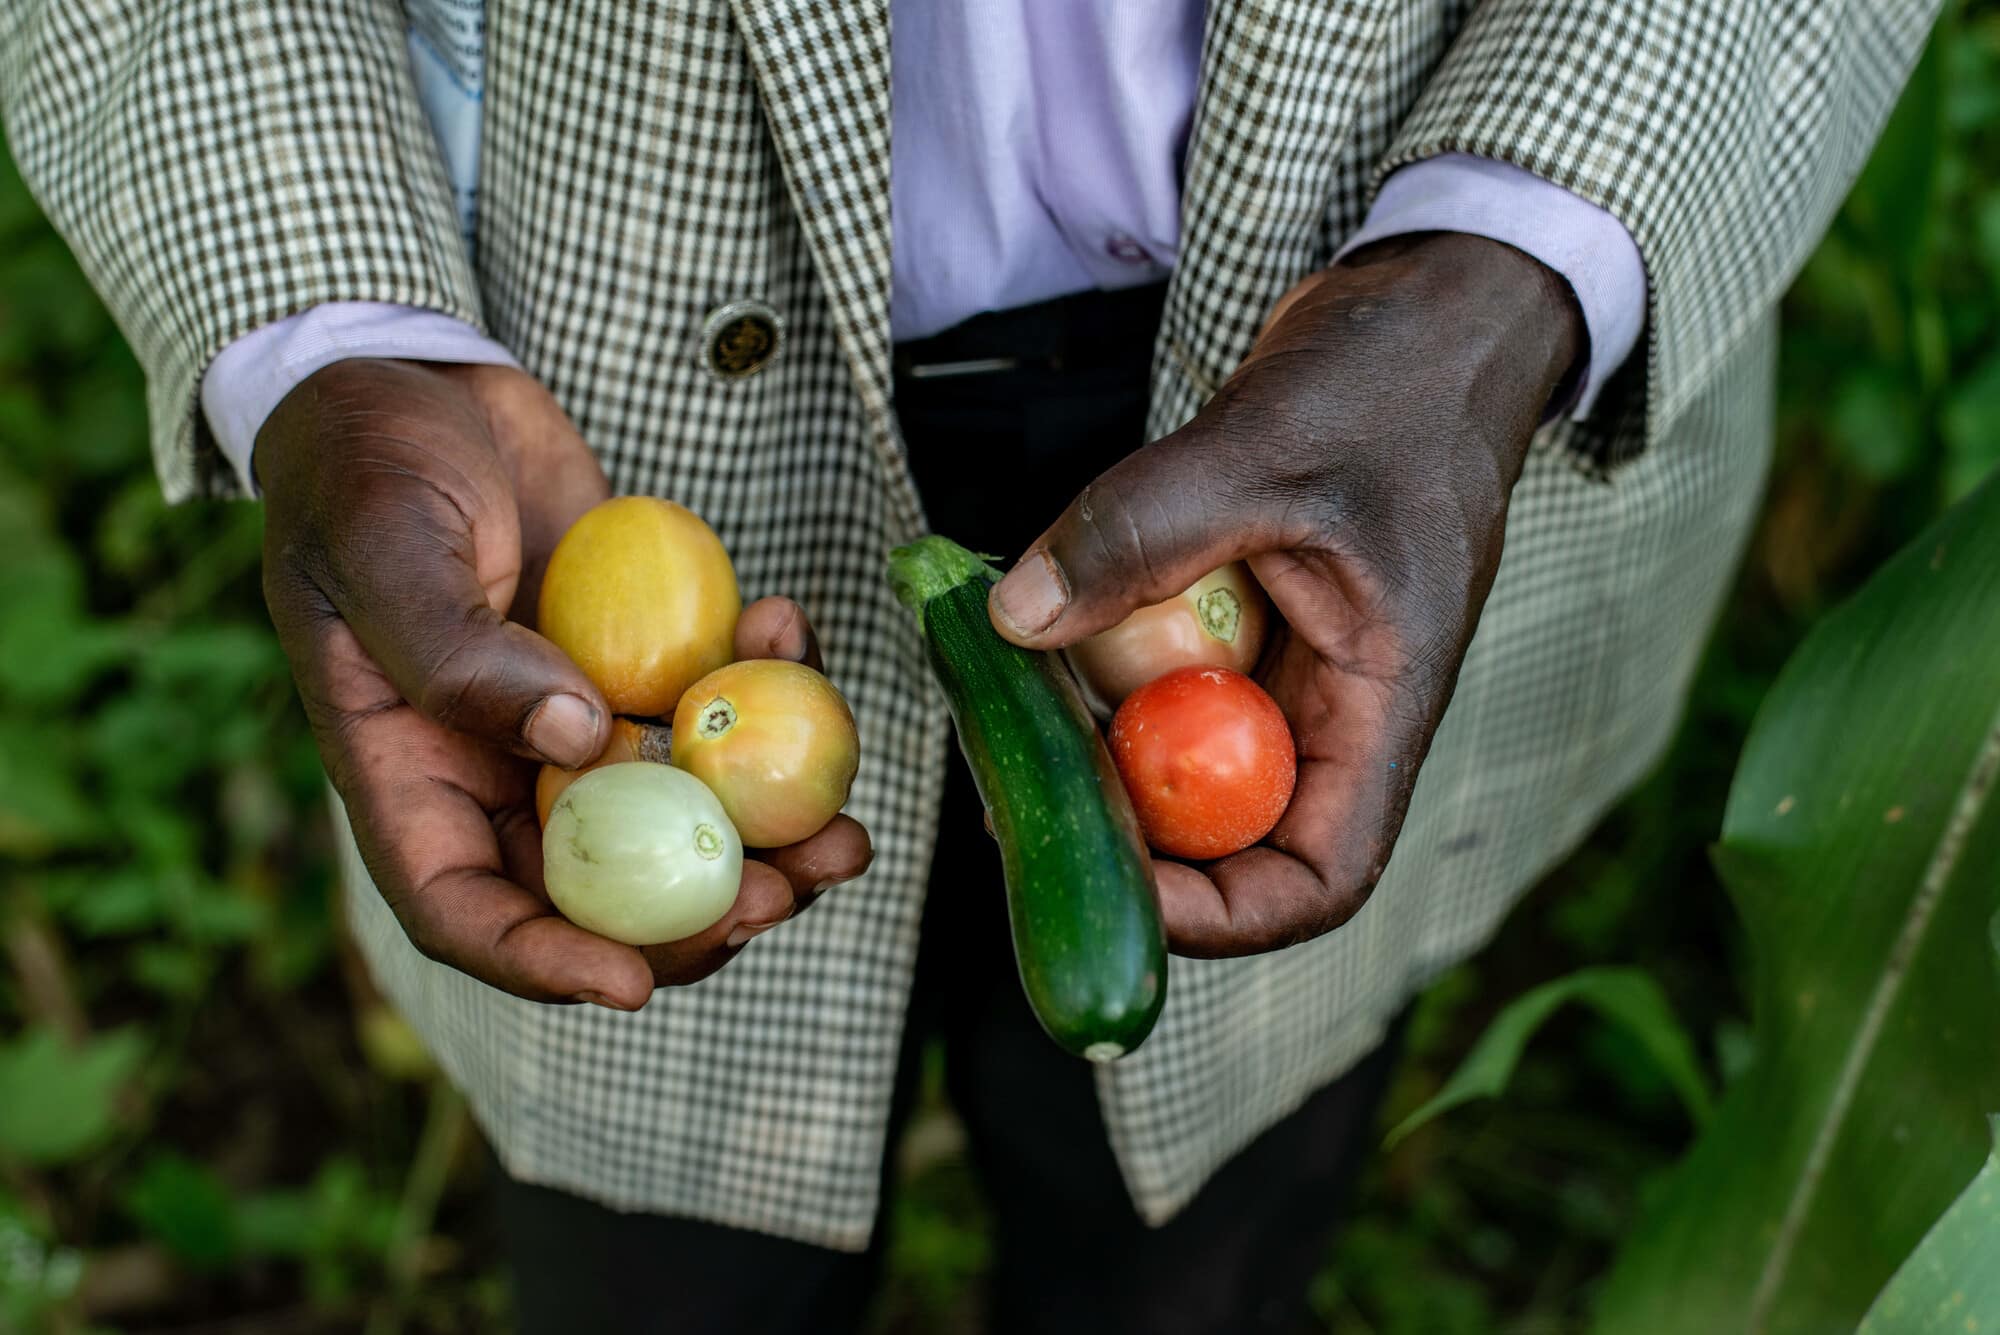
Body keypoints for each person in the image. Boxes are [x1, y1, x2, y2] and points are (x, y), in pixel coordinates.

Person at [2, 2, 1938, 1330]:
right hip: (559, 405)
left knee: (1210, 1205)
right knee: (658, 1252)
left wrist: (1516, 266)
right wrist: (325, 326)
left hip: (1380, 382)